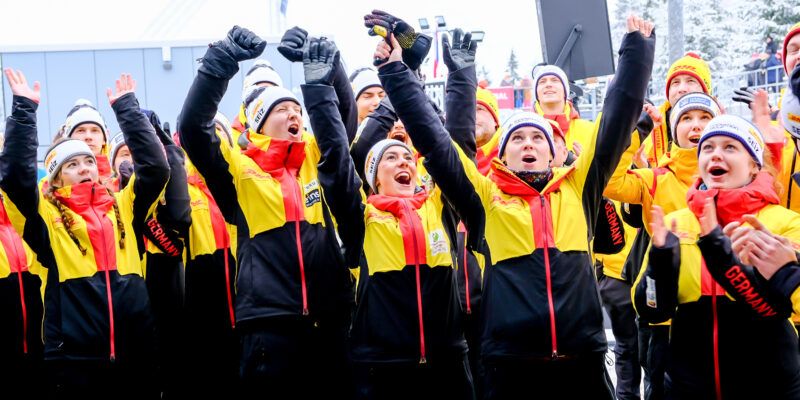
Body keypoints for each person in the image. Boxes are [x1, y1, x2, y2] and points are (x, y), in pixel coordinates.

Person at [373, 14, 654, 399]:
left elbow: (618, 119)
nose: (527, 144)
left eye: (537, 138)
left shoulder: (578, 187)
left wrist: (636, 50)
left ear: (554, 154)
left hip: (583, 362)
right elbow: (436, 144)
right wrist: (395, 72)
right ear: (503, 156)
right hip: (508, 366)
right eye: (517, 138)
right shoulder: (486, 199)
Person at [177, 26, 355, 399]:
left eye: (297, 109)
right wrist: (219, 62)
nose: (295, 114)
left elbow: (343, 121)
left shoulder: (314, 158)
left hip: (331, 319)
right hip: (268, 326)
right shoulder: (240, 170)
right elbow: (194, 129)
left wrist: (329, 69)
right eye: (282, 109)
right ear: (258, 122)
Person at [1, 69, 169, 399]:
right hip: (75, 363)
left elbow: (156, 168)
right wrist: (23, 110)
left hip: (137, 357)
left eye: (88, 162)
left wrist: (127, 109)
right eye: (72, 165)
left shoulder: (125, 204)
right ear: (56, 179)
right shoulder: (46, 218)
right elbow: (17, 180)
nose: (84, 169)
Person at [634, 114, 800, 399]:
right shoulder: (676, 222)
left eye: (730, 147)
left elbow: (789, 304)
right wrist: (658, 266)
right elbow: (651, 309)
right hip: (687, 388)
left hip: (770, 386)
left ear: (754, 166)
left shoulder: (785, 222)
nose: (716, 154)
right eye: (708, 148)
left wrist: (724, 254)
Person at [531, 64, 593, 157]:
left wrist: (588, 165)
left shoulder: (591, 130)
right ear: (537, 94)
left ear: (565, 91)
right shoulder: (521, 131)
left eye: (555, 80)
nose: (548, 84)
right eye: (542, 82)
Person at [62, 98, 114, 186]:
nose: (88, 137)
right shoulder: (51, 185)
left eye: (95, 131)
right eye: (80, 131)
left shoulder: (120, 180)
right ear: (69, 138)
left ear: (104, 139)